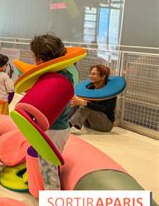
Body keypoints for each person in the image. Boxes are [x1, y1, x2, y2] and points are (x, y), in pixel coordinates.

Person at [30, 34, 73, 190]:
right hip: (58, 127)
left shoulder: (56, 79)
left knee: (49, 169)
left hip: (53, 129)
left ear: (40, 59)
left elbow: (44, 106)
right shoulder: (65, 74)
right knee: (48, 165)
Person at [69, 65, 116, 132]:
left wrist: (84, 102)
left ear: (103, 77)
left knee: (85, 107)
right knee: (76, 104)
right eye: (90, 73)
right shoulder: (90, 88)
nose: (90, 76)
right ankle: (63, 123)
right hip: (89, 123)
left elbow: (101, 108)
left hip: (106, 124)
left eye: (94, 74)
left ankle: (68, 126)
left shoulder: (109, 93)